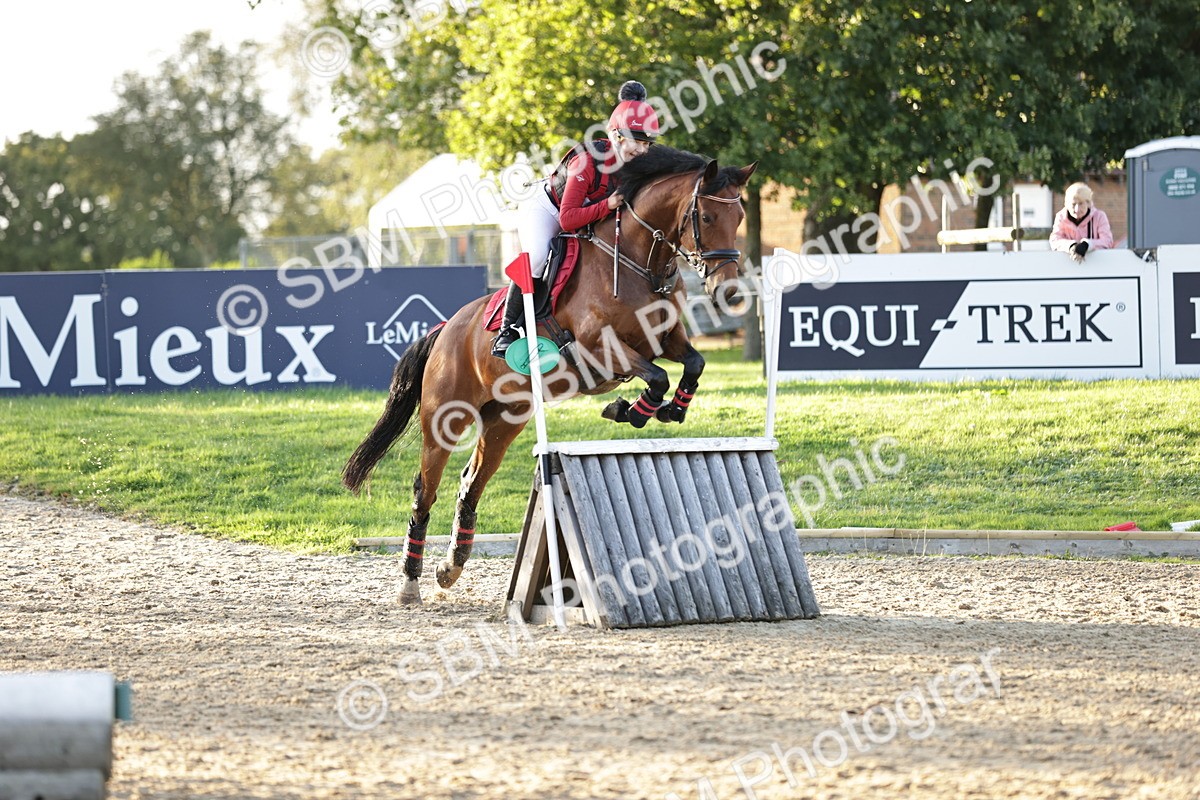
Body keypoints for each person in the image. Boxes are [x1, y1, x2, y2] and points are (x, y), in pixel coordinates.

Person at [491, 80, 660, 357]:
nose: (641, 151)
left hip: (587, 217)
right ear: (617, 136)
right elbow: (568, 220)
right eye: (637, 143)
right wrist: (608, 204)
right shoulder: (587, 160)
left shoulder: (634, 168)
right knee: (536, 257)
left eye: (646, 145)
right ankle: (507, 331)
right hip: (548, 210)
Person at [1049, 182, 1114, 262]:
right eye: (1073, 204)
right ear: (1066, 204)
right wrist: (1071, 245)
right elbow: (1055, 240)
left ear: (1088, 203)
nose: (1077, 209)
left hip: (1096, 265)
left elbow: (1107, 241)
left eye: (1081, 204)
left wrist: (1087, 244)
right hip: (1068, 265)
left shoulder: (1099, 216)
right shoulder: (1061, 217)